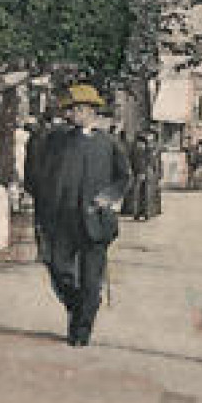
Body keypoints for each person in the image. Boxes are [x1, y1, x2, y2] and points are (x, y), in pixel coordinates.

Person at [31, 84, 131, 347]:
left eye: (76, 110)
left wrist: (107, 197)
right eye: (69, 110)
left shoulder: (109, 144)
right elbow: (40, 173)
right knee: (58, 269)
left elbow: (124, 178)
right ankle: (78, 307)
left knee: (90, 280)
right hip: (62, 220)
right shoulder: (56, 140)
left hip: (94, 221)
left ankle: (81, 331)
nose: (71, 114)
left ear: (91, 111)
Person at [125, 130, 154, 221]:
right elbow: (149, 162)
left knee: (137, 195)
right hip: (143, 173)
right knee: (145, 194)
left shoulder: (134, 149)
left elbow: (131, 162)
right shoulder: (145, 149)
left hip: (139, 173)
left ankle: (138, 213)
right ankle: (145, 213)